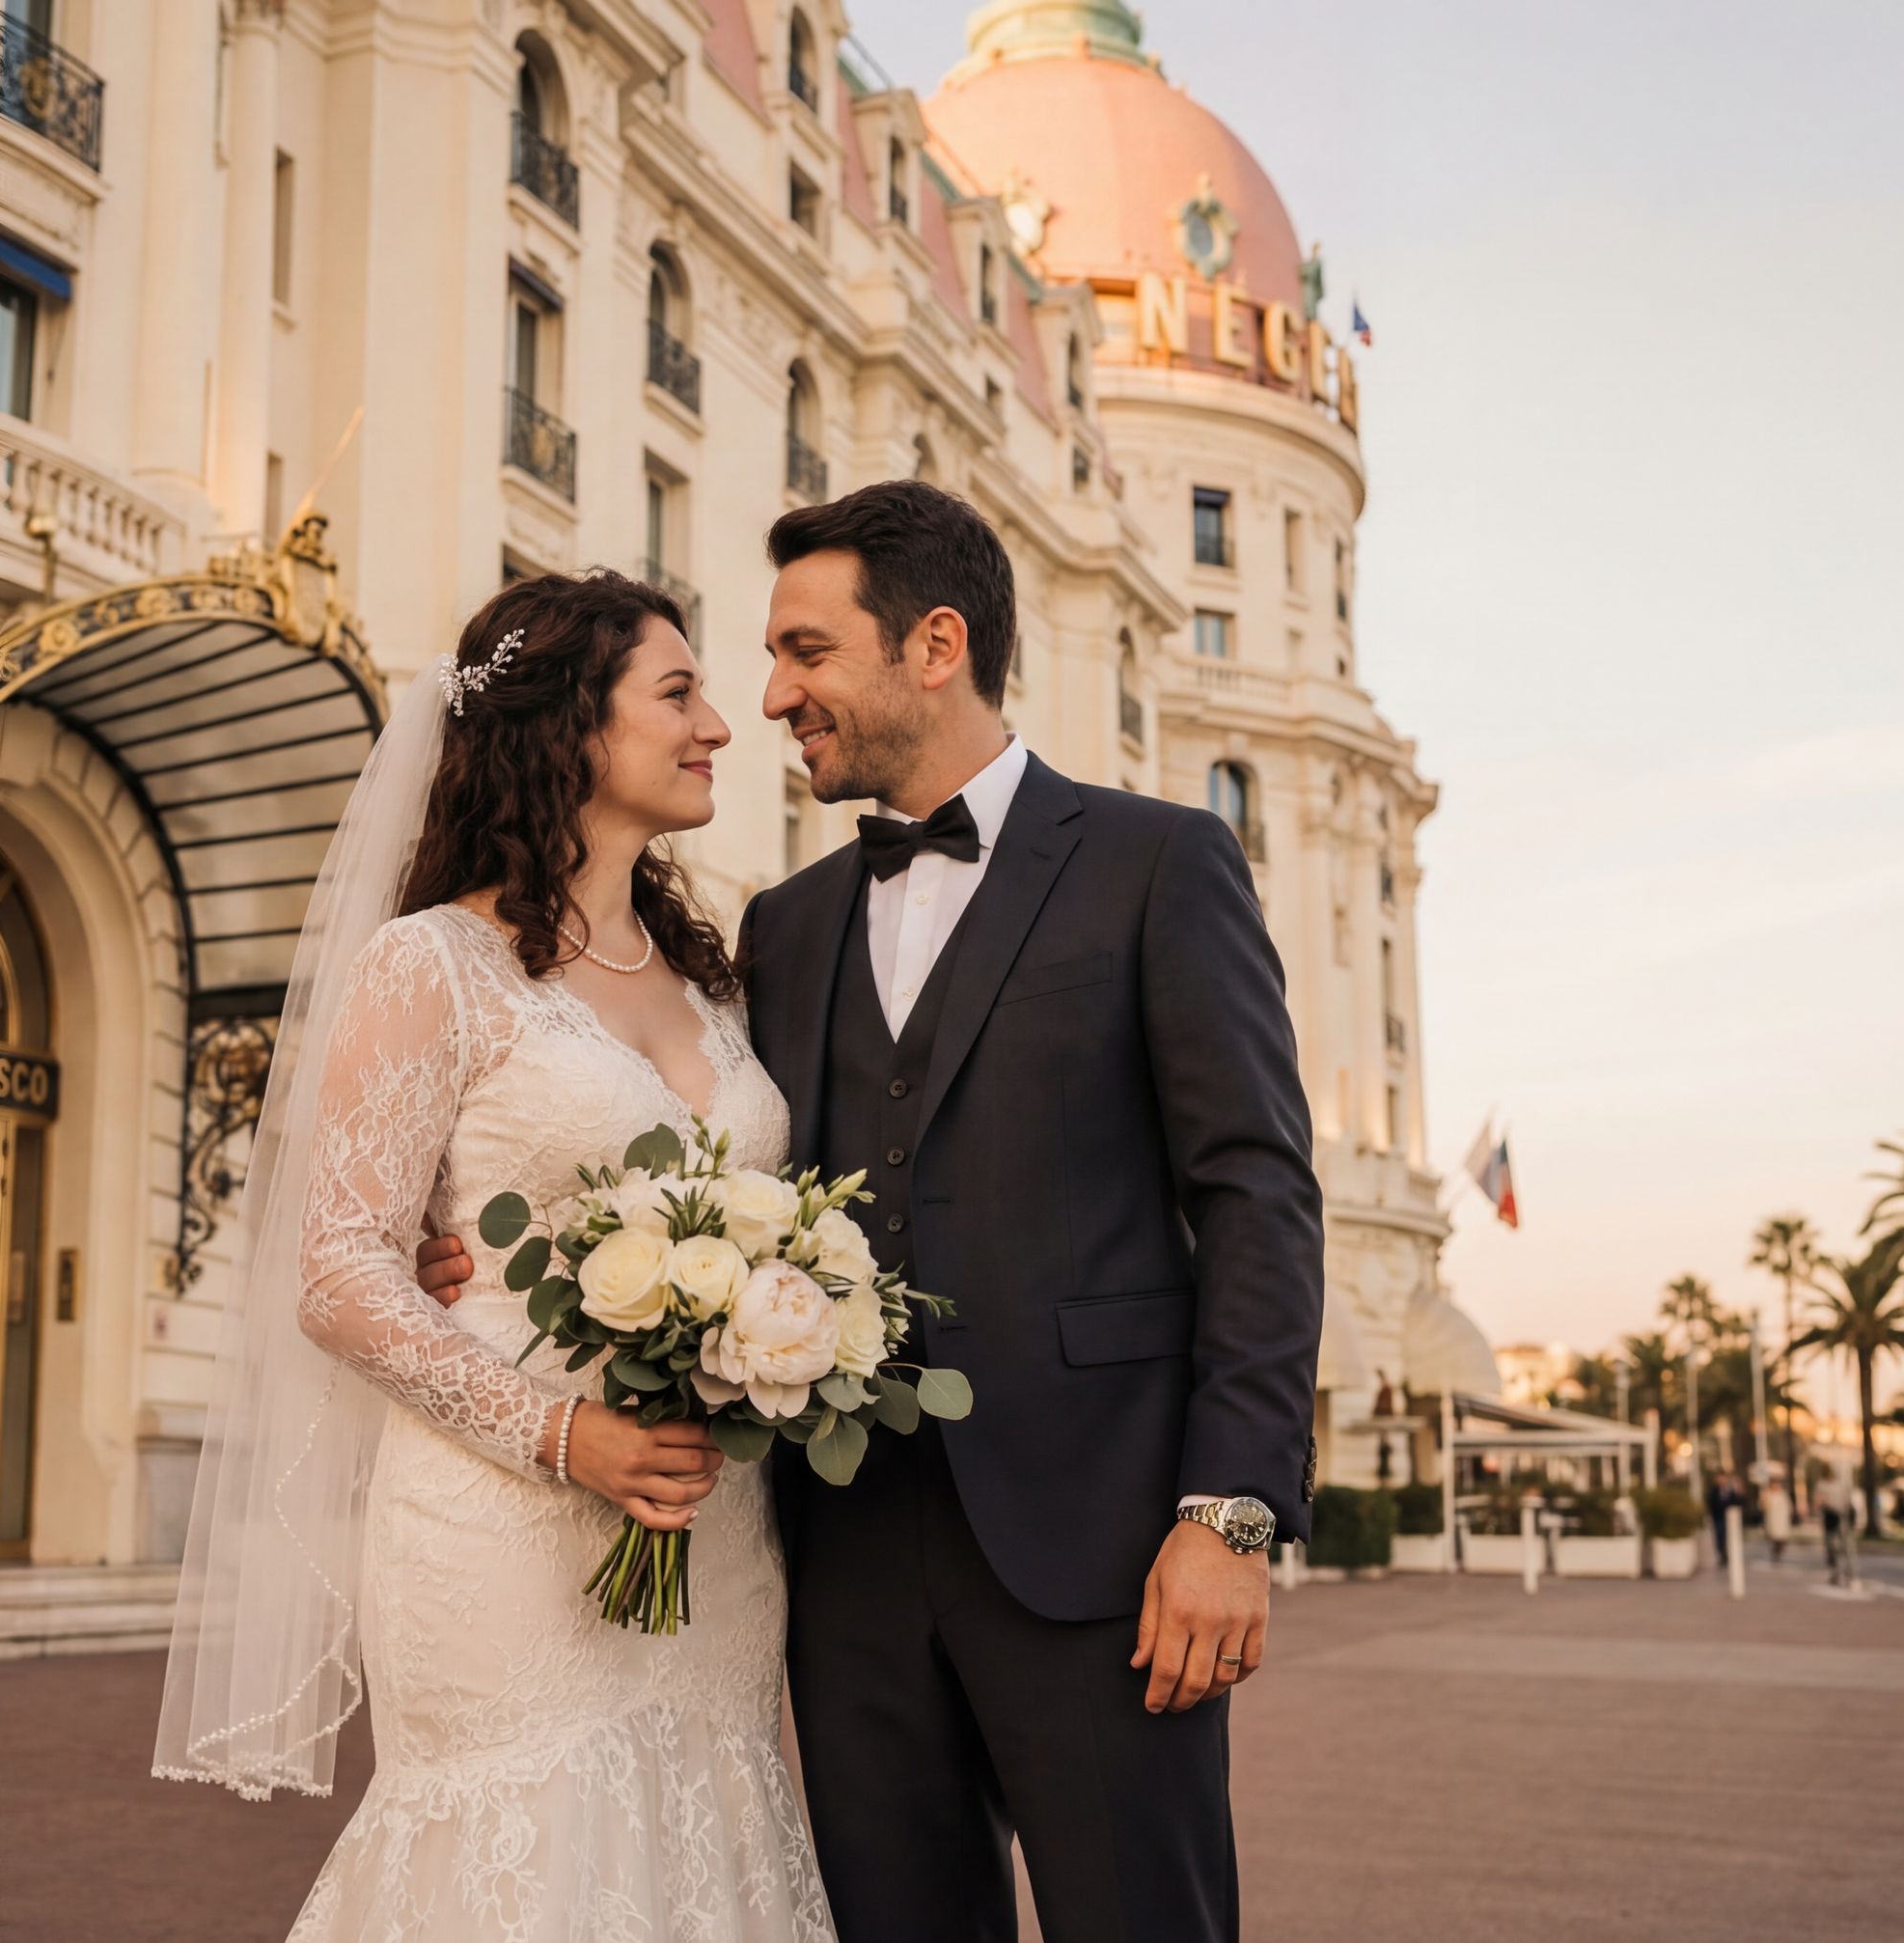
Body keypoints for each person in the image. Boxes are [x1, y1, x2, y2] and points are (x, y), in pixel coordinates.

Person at [422, 482, 1326, 1940]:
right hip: (837, 1567)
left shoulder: (1161, 864)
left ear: (936, 645)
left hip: (1100, 1552)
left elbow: (1260, 1197)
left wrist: (1228, 1511)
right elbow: (684, 1157)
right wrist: (450, 1223)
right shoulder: (784, 925)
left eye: (804, 652)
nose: (771, 697)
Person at [154, 571, 836, 1938]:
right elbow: (343, 1272)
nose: (720, 723)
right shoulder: (432, 966)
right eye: (679, 692)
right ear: (572, 725)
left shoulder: (715, 980)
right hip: (499, 1527)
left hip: (711, 1539)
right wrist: (561, 1433)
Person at [1760, 1471, 1794, 1565]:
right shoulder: (1767, 1494)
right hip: (1772, 1519)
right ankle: (1775, 1554)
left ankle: (1778, 1552)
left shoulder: (1783, 1493)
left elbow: (1788, 1505)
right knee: (1774, 1538)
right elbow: (1763, 1506)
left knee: (1782, 1538)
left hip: (1782, 1519)